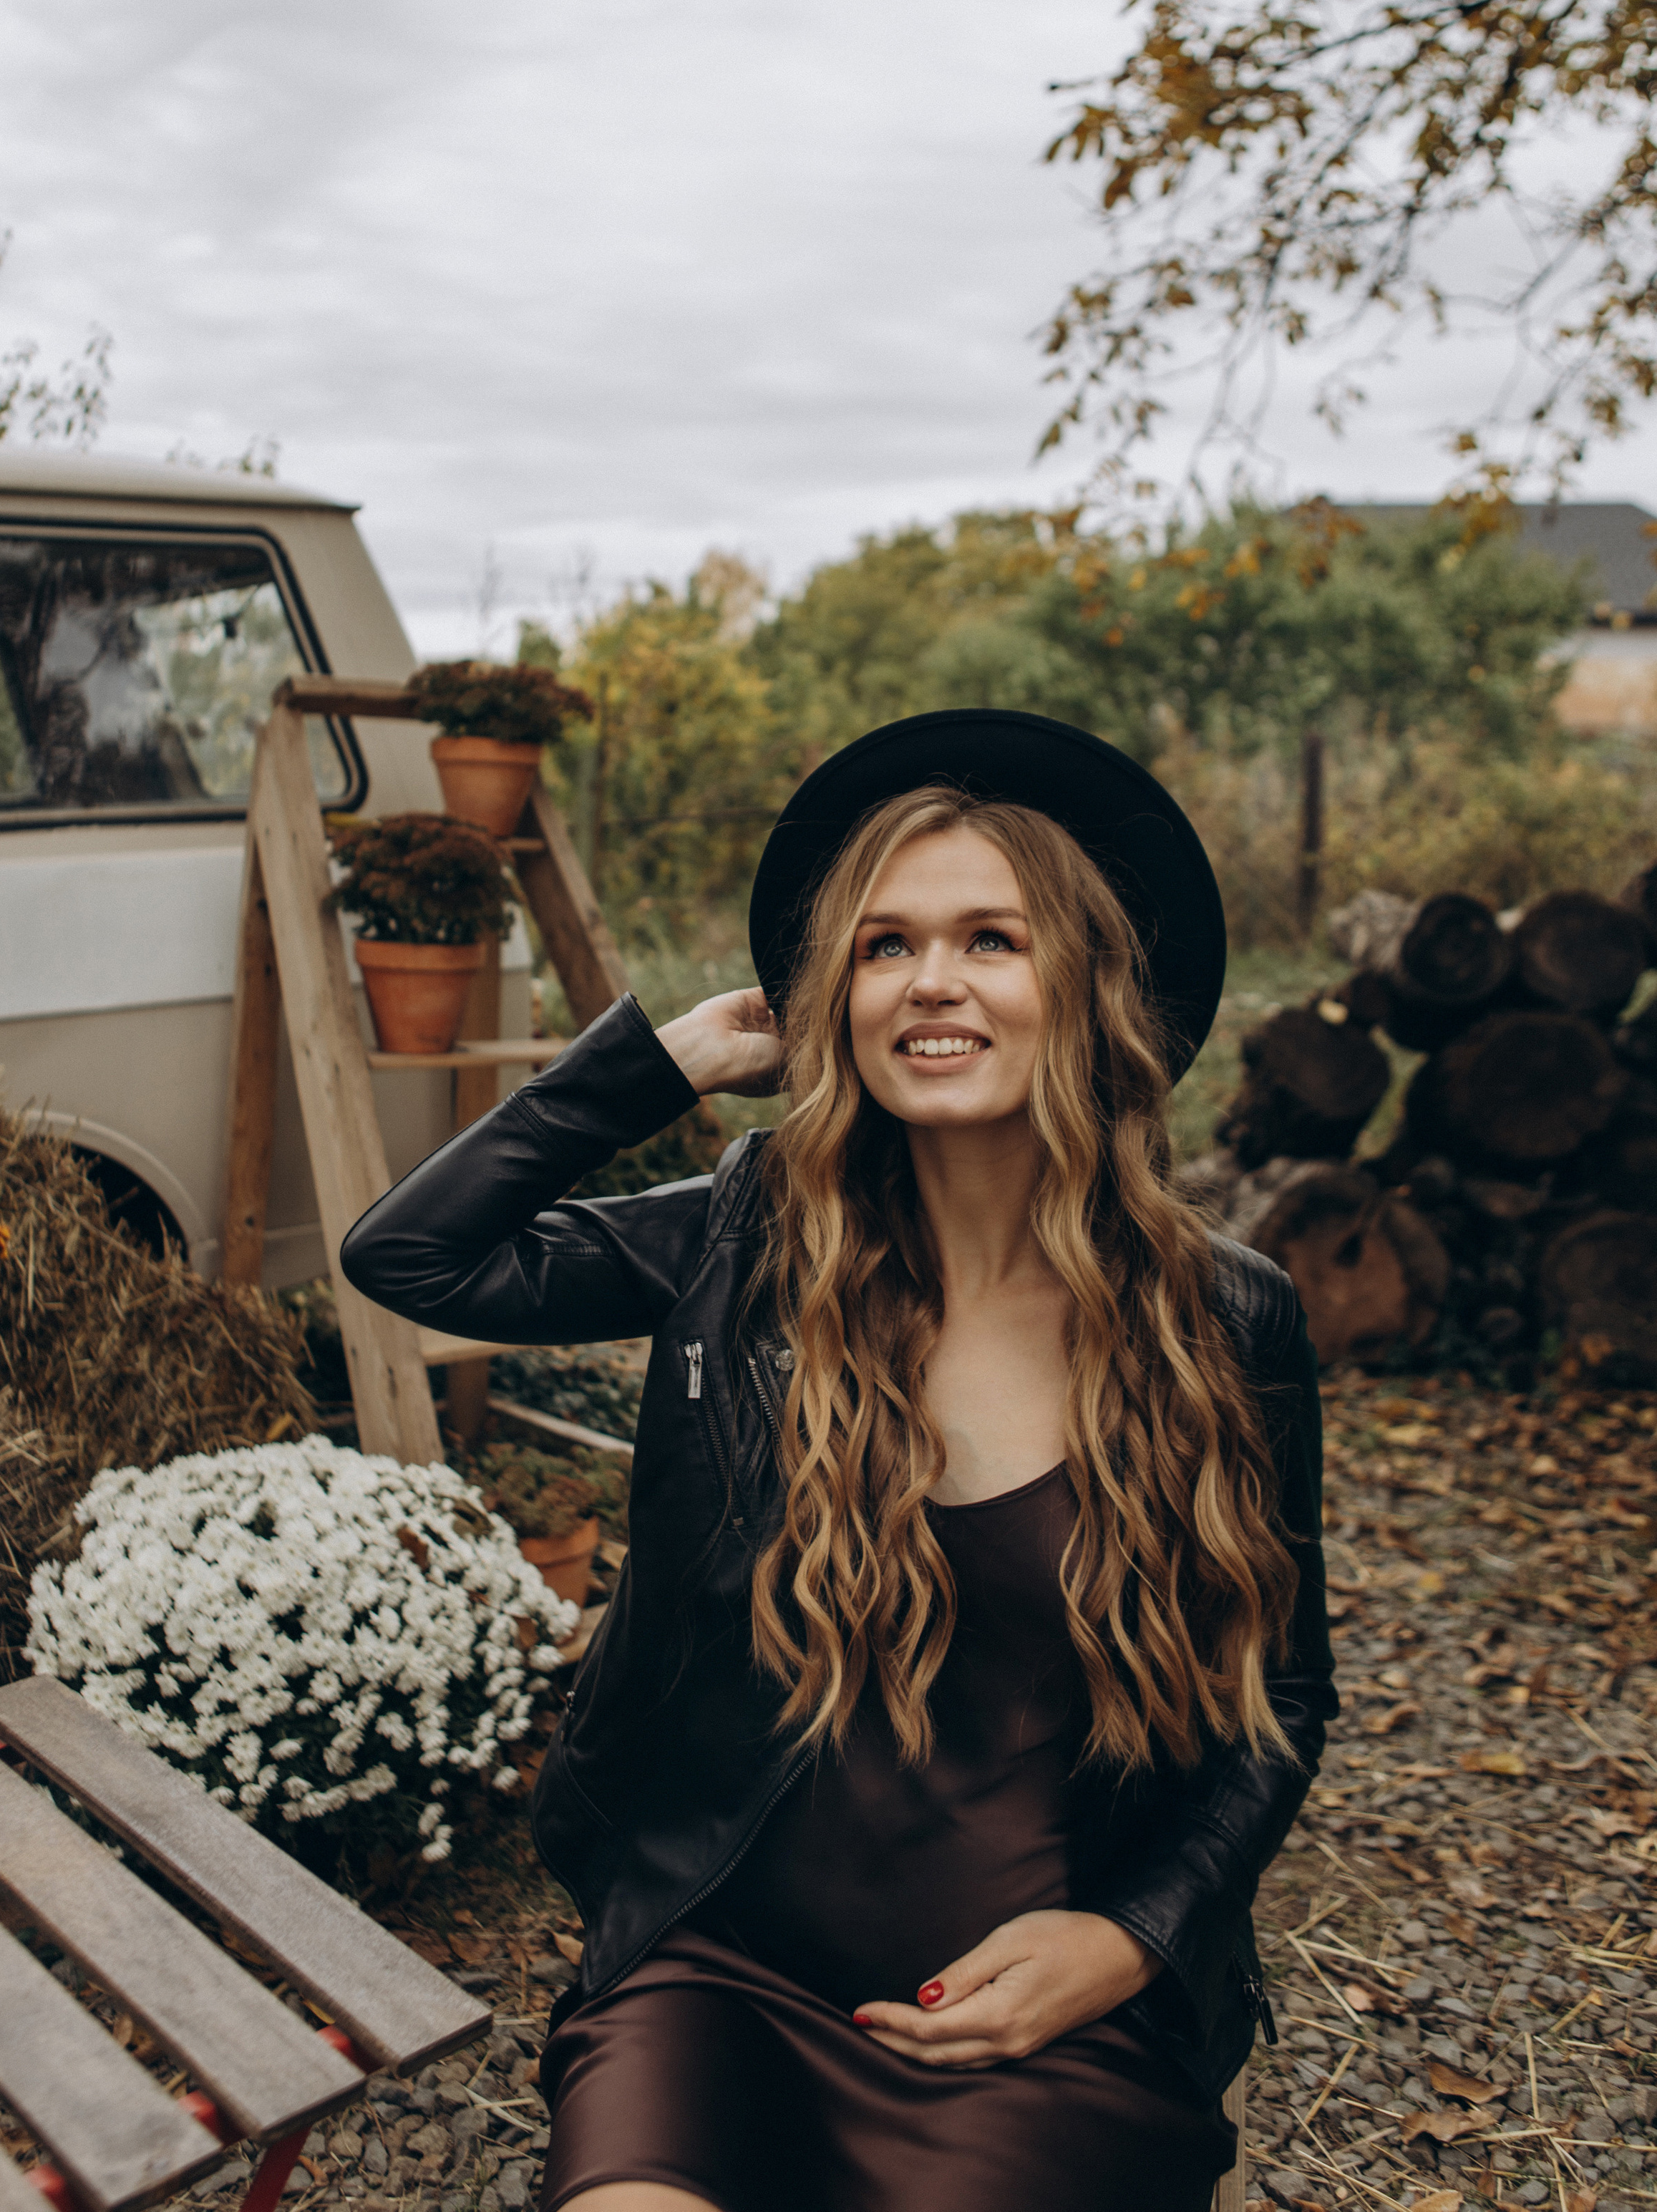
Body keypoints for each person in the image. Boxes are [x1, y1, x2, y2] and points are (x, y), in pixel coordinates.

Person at [343, 710, 1337, 2212]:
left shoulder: (1223, 1318)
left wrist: (1131, 1935)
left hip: (1024, 2021)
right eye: (881, 947)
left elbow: (1284, 1702)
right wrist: (664, 1061)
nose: (930, 979)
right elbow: (410, 1254)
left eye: (989, 938)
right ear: (830, 998)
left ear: (1083, 989)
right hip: (713, 1971)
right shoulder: (746, 1243)